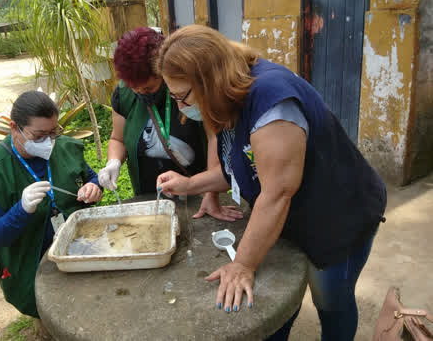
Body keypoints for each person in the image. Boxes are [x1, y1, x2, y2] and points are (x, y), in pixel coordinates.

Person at [155, 25, 387, 340]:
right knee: (281, 296)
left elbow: (276, 193)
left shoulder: (271, 102)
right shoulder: (229, 97)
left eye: (182, 97)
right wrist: (189, 184)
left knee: (330, 299)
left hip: (339, 213)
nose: (181, 109)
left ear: (209, 82)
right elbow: (242, 167)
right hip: (298, 210)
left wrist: (242, 265)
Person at [0, 91, 102, 320]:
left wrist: (94, 187)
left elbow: (90, 177)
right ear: (14, 128)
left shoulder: (64, 147)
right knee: (55, 315)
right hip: (33, 264)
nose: (48, 141)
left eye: (53, 132)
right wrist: (21, 210)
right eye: (39, 135)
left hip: (81, 248)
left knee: (91, 307)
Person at [98, 26, 242, 221]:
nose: (141, 92)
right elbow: (118, 138)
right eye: (134, 88)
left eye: (148, 87)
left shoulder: (186, 88)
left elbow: (214, 138)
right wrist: (113, 162)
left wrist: (210, 193)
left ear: (163, 71)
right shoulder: (124, 94)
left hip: (196, 191)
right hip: (149, 196)